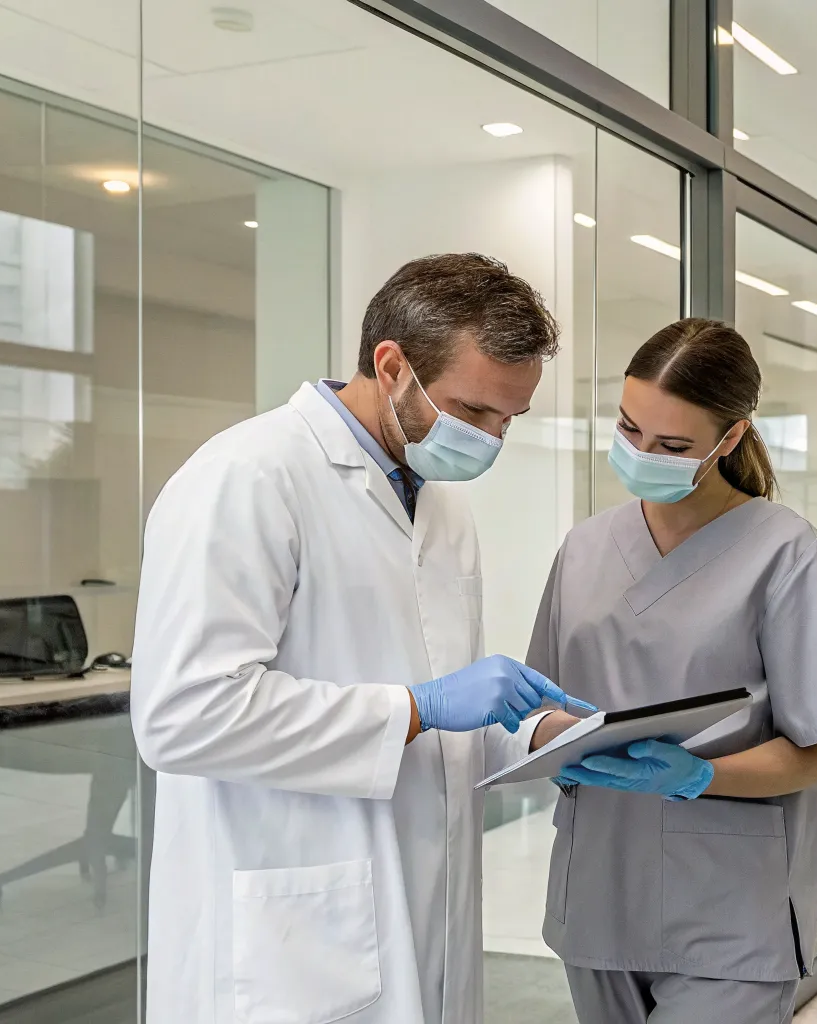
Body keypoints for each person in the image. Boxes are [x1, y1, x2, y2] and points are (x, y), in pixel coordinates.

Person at [132, 253, 595, 1023]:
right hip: (290, 929)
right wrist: (415, 708)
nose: (491, 438)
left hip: (423, 908)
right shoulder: (248, 477)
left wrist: (547, 737)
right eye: (473, 411)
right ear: (391, 365)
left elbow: (445, 721)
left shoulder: (439, 506)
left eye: (508, 420)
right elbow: (184, 715)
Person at [522, 317, 817, 1023]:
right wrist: (540, 737)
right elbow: (540, 707)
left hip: (730, 907)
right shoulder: (585, 549)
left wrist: (702, 775)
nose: (642, 455)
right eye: (628, 430)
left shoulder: (787, 554)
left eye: (672, 445)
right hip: (597, 889)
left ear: (730, 439)